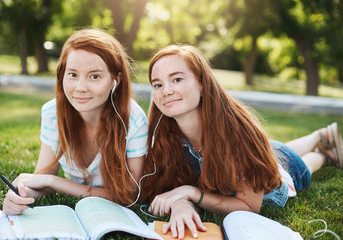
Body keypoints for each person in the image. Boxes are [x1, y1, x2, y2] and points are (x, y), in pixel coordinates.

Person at [141, 45, 343, 239]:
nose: (166, 90)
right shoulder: (163, 134)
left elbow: (248, 206)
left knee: (302, 167)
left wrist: (191, 193)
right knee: (281, 149)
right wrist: (180, 203)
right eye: (157, 84)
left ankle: (324, 154)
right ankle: (320, 136)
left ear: (202, 84)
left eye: (176, 79)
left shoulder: (238, 133)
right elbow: (164, 187)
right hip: (265, 152)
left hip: (280, 173)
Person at [2, 29, 149, 215]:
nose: (80, 88)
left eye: (94, 76)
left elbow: (129, 196)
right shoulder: (52, 113)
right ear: (62, 75)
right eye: (73, 75)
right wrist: (20, 195)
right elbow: (42, 181)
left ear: (115, 80)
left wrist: (55, 182)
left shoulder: (134, 121)